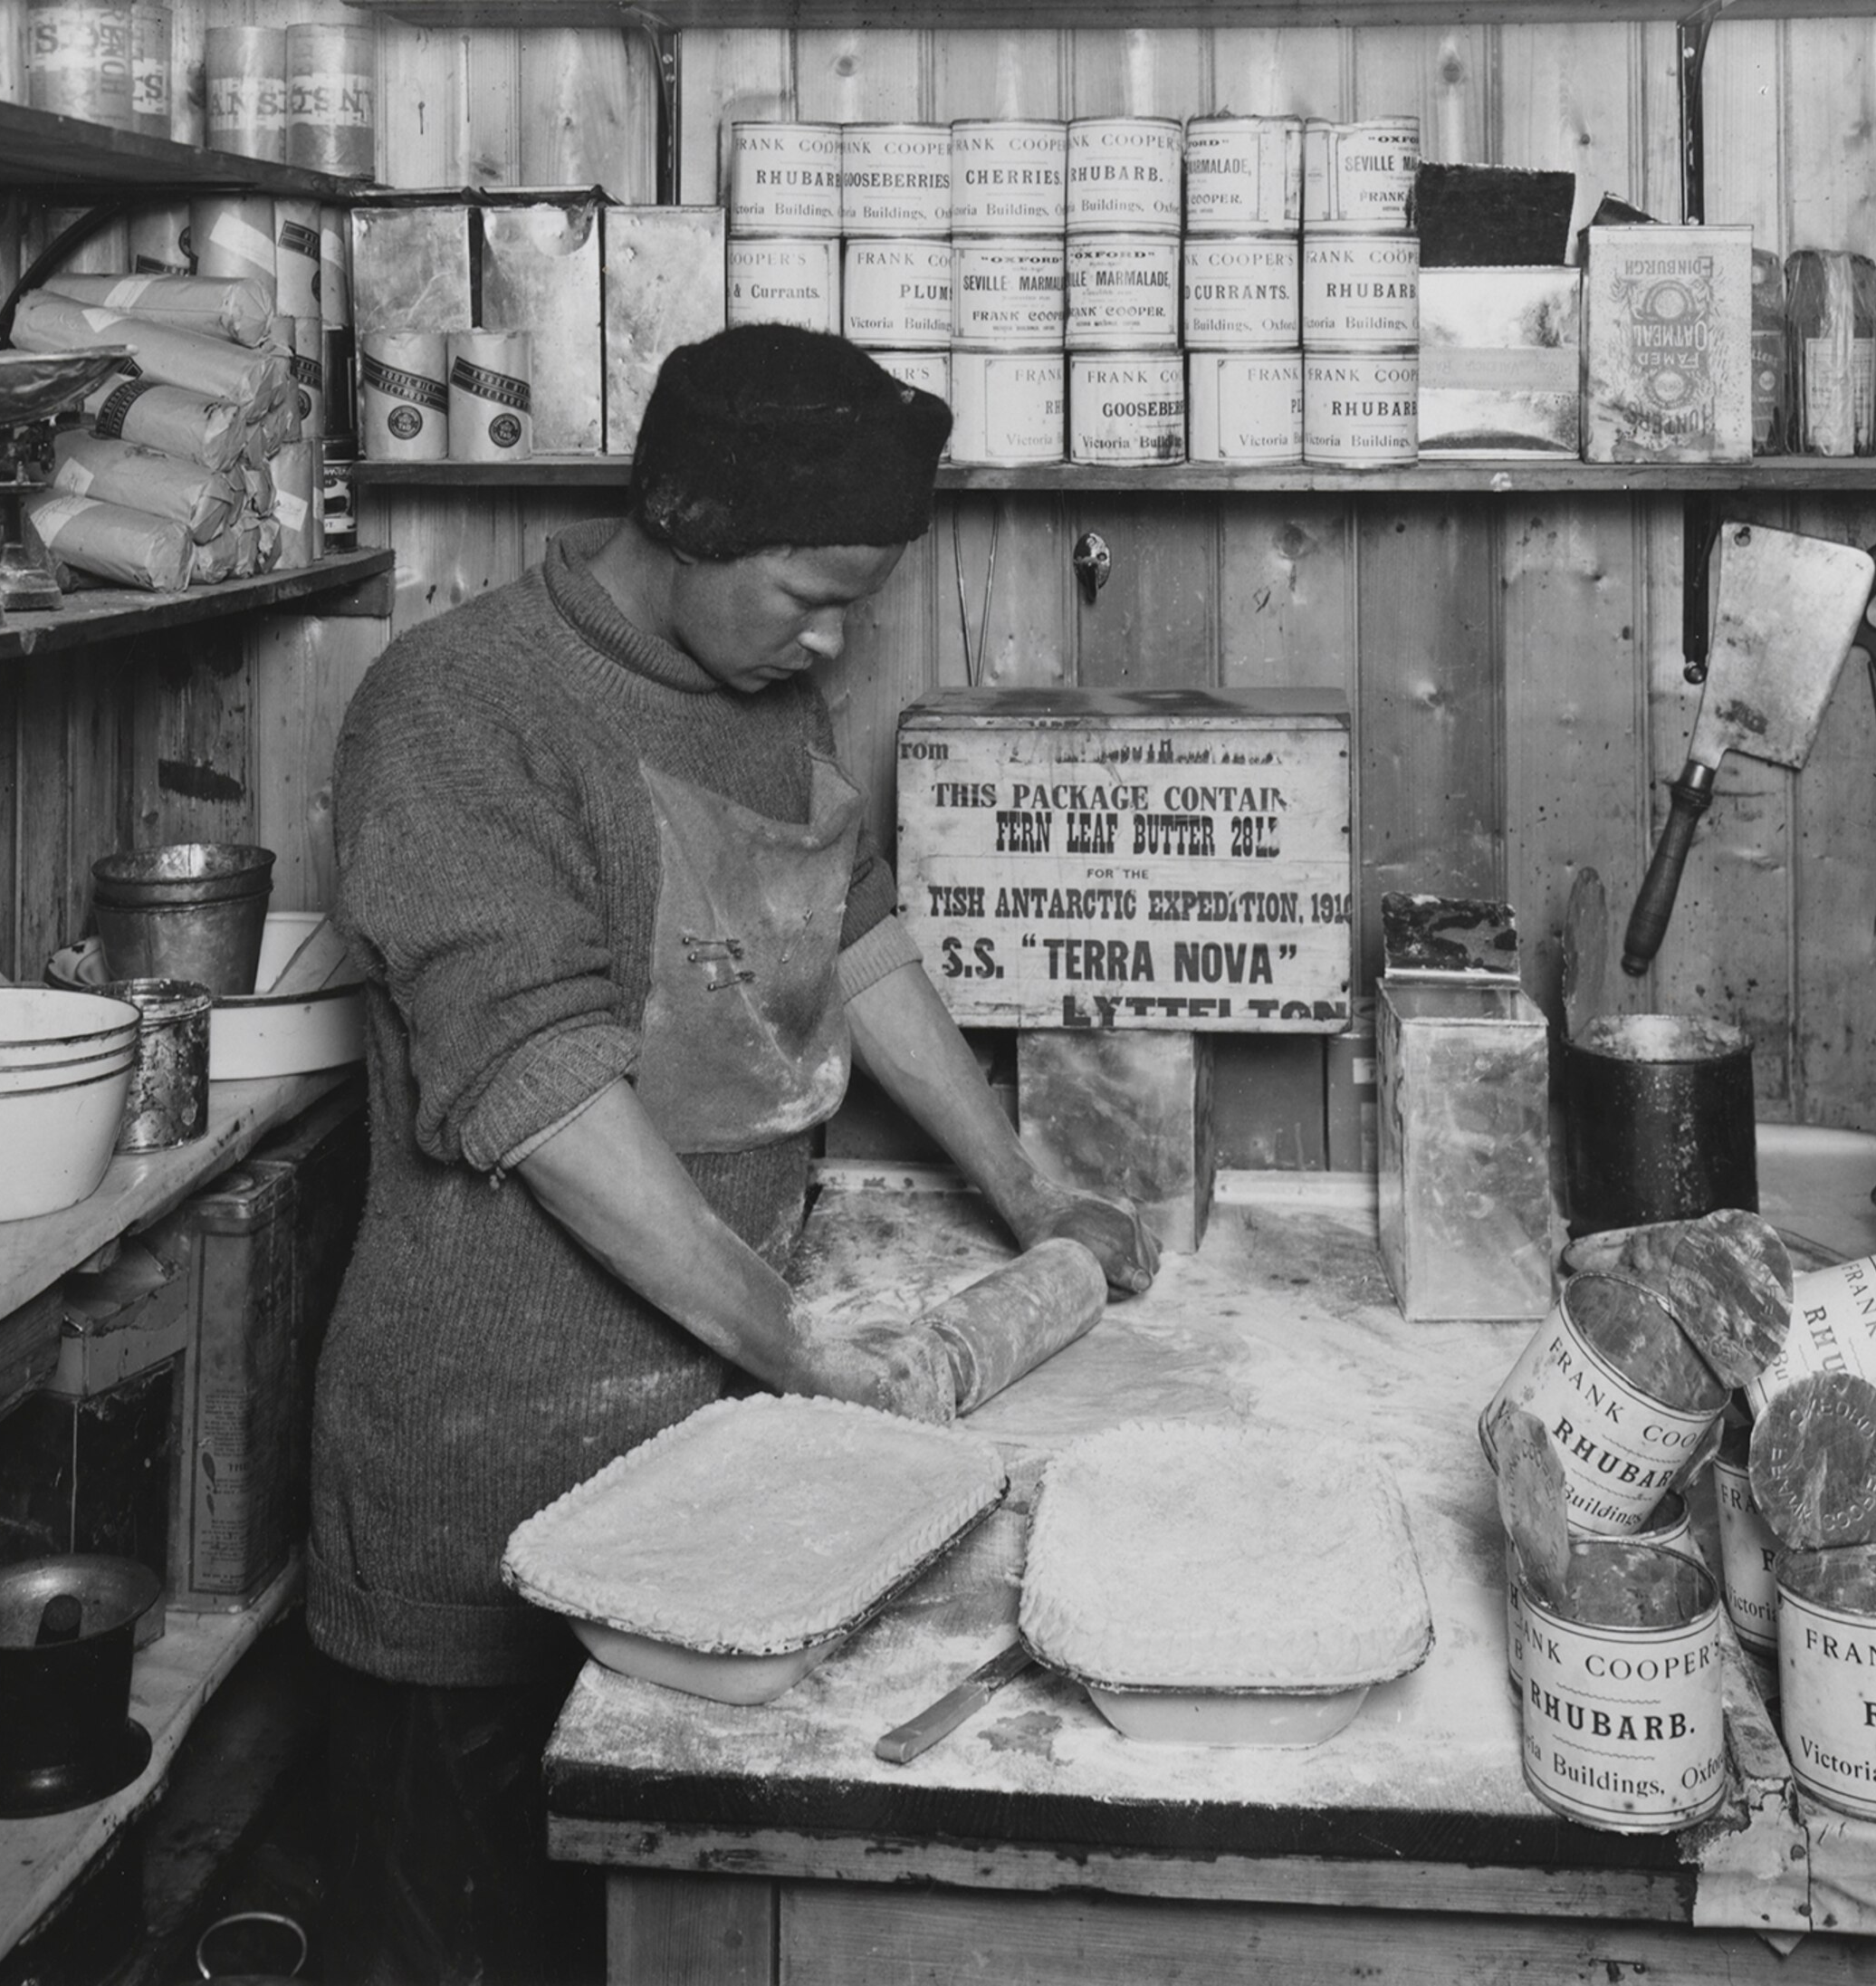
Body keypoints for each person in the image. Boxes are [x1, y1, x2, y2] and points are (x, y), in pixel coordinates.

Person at [305, 324, 1157, 1984]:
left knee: (666, 1937)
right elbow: (541, 1089)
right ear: (687, 522)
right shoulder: (459, 706)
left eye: (860, 603)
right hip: (484, 1470)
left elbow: (855, 937)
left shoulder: (763, 695)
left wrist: (1031, 1189)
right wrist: (795, 1347)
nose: (835, 639)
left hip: (713, 1464)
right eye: (812, 595)